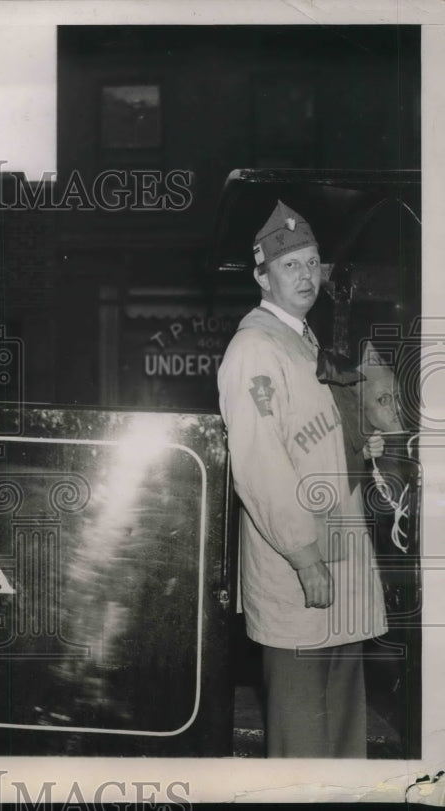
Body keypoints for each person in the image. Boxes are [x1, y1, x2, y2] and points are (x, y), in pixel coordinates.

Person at [217, 201, 387, 757]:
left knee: (341, 726)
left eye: (312, 263)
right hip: (303, 565)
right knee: (303, 736)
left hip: (338, 552)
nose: (306, 275)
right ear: (261, 275)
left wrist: (360, 439)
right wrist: (303, 556)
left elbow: (310, 434)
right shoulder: (255, 348)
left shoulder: (302, 338)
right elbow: (260, 465)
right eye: (290, 265)